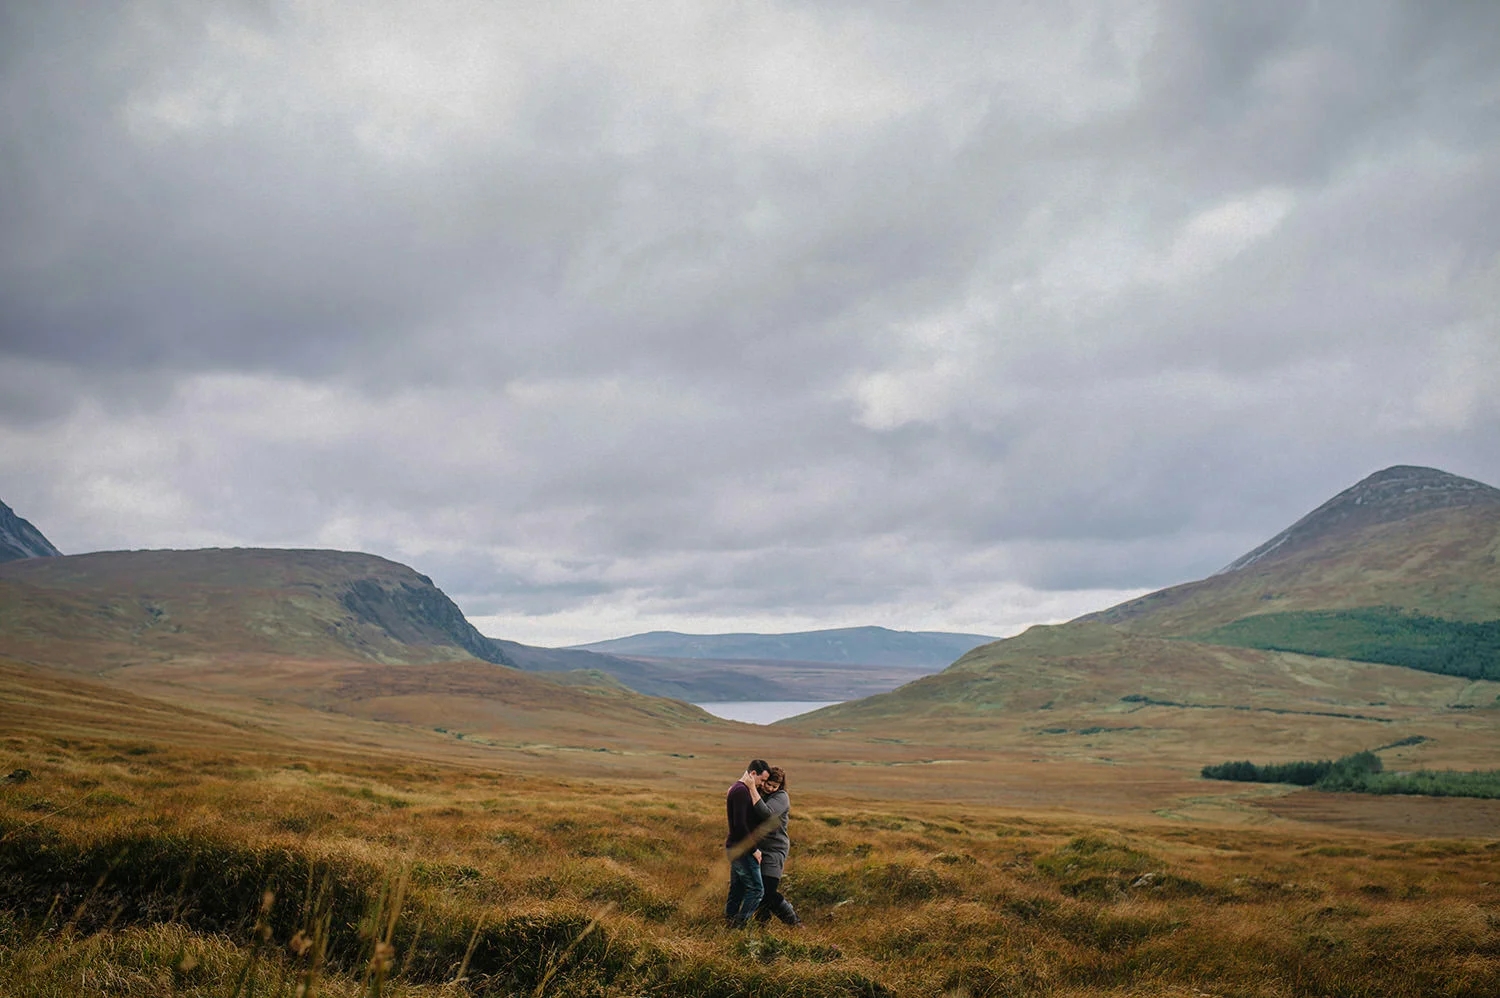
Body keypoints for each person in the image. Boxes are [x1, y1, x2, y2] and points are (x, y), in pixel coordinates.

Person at [724, 759, 772, 928]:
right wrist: (754, 850)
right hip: (742, 850)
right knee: (757, 890)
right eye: (762, 780)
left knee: (737, 889)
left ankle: (729, 924)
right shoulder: (741, 791)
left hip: (735, 848)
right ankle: (738, 926)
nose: (762, 784)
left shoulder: (737, 789)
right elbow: (740, 826)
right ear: (753, 773)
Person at [753, 766, 802, 927]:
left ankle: (794, 922)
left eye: (775, 786)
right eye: (768, 784)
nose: (770, 788)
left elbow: (766, 813)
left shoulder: (781, 797)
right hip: (756, 848)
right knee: (757, 890)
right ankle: (762, 925)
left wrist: (753, 791)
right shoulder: (759, 792)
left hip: (774, 849)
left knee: (768, 891)